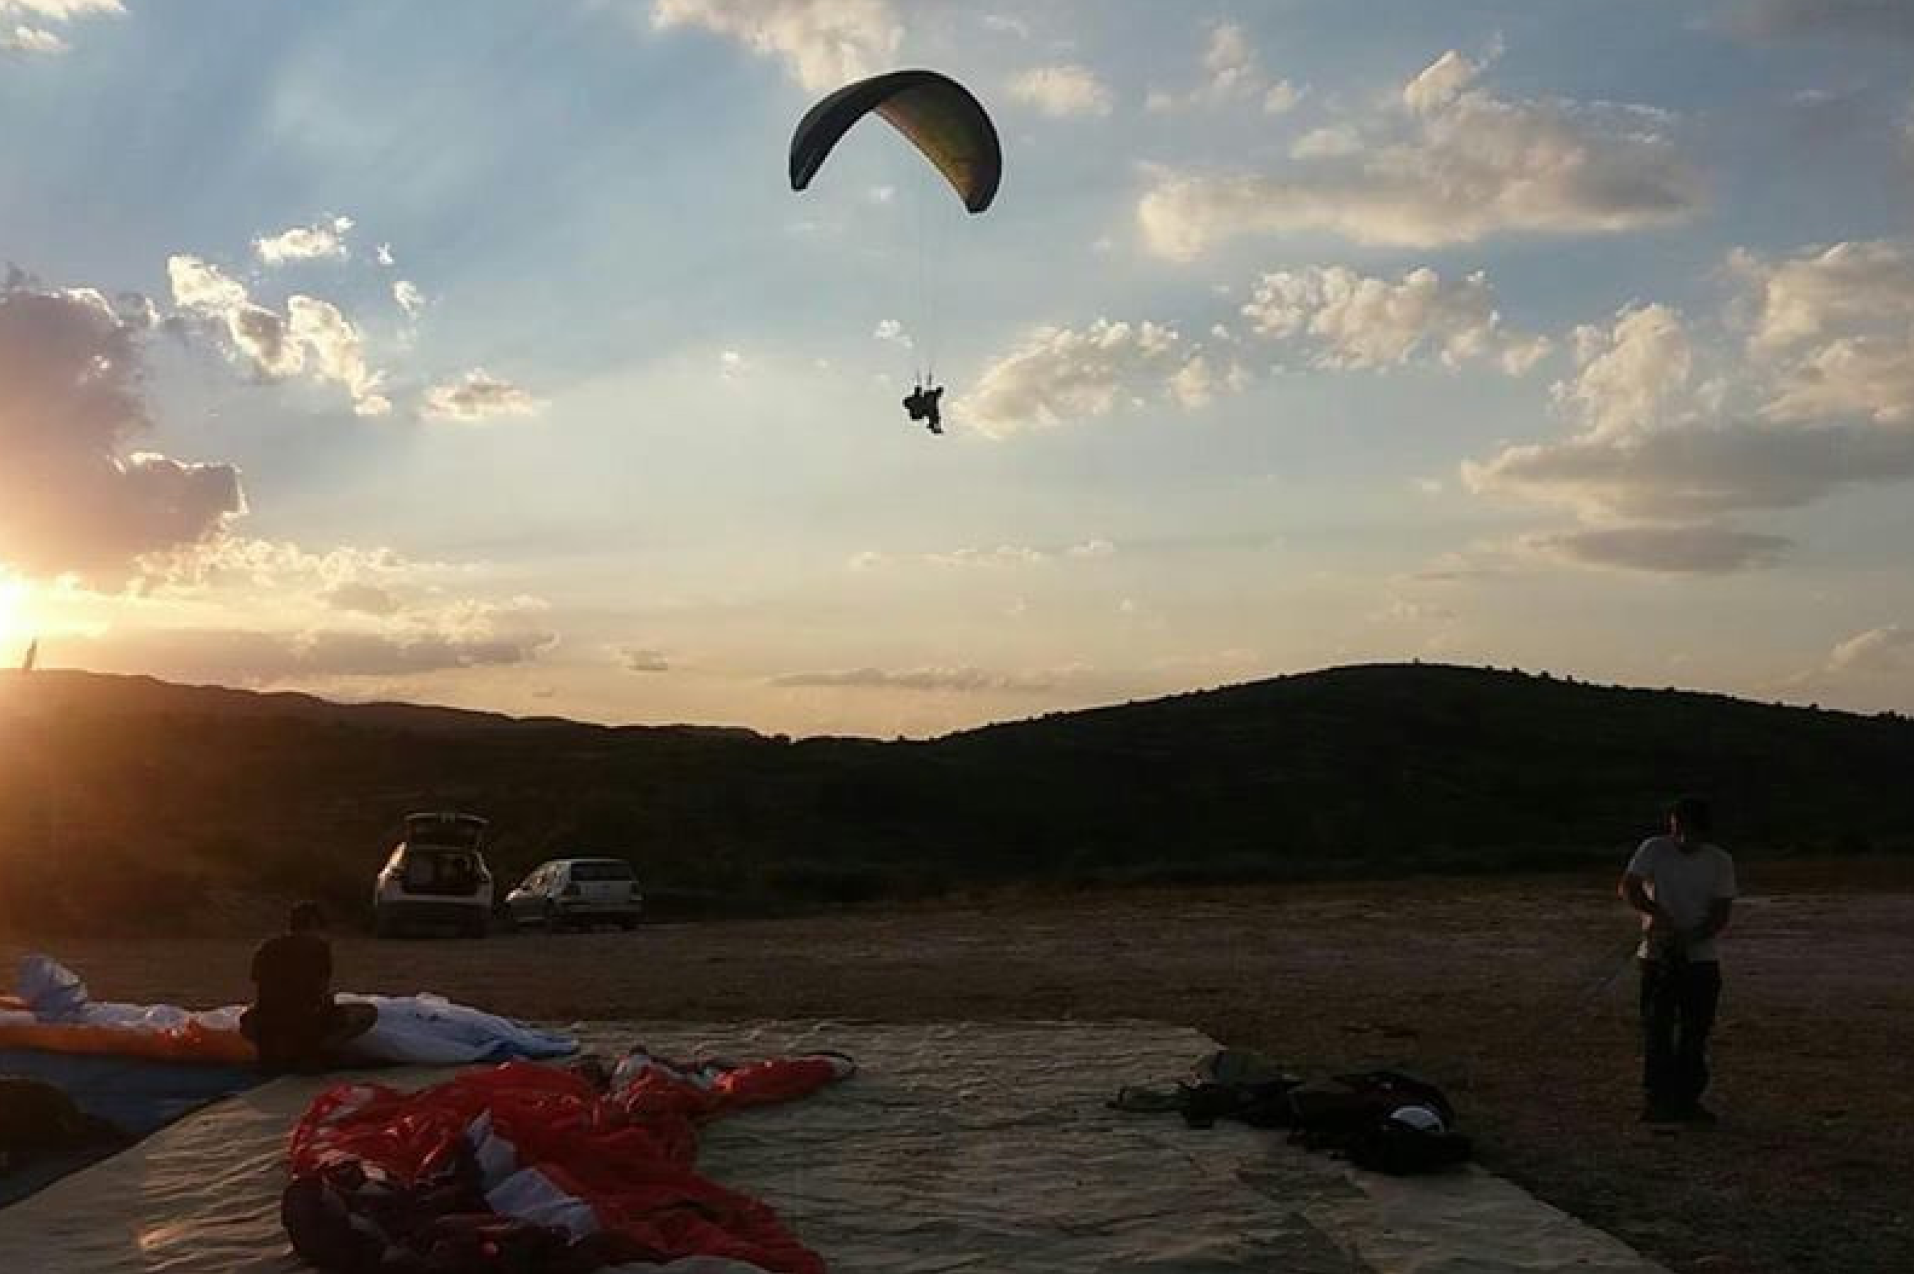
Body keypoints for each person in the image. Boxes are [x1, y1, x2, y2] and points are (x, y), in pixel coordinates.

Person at [1618, 796, 1737, 1124]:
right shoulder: (1654, 849)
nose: (1682, 837)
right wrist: (1656, 915)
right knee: (1657, 1029)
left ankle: (1687, 1100)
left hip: (1701, 959)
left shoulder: (1720, 861)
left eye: (1689, 831)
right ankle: (1657, 1099)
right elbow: (1628, 887)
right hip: (1657, 956)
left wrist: (1692, 936)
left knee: (1695, 1032)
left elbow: (1721, 912)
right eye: (1677, 830)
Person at [239, 902, 376, 1075]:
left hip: (267, 1025)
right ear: (313, 925)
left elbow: (261, 990)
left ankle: (277, 1052)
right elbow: (318, 994)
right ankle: (315, 1051)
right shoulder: (318, 948)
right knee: (368, 1013)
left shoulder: (266, 947)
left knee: (247, 1018)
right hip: (305, 1026)